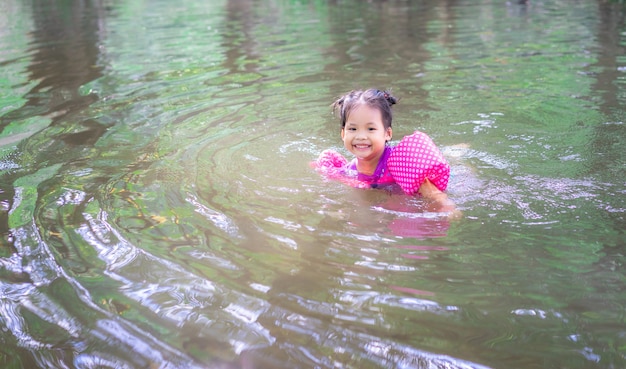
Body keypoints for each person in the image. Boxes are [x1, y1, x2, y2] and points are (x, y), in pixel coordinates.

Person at [314, 88, 455, 212]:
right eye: (353, 129)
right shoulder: (349, 171)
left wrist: (444, 203)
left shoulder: (401, 163)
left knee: (455, 162)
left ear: (387, 133)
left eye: (371, 129)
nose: (361, 136)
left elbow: (428, 188)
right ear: (343, 134)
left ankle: (455, 154)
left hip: (453, 176)